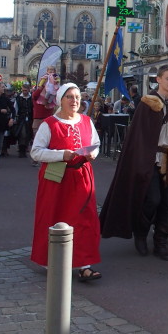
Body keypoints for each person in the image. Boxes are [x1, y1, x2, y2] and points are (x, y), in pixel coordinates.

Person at [99, 64, 168, 261]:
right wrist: (142, 157)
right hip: (150, 159)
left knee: (167, 202)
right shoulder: (147, 104)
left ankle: (160, 241)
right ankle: (141, 233)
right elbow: (138, 135)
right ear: (158, 79)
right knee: (153, 199)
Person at [30, 83, 102, 282]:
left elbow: (95, 143)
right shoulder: (49, 124)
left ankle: (84, 264)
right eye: (69, 97)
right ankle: (52, 261)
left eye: (77, 97)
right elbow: (36, 152)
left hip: (82, 176)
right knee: (54, 217)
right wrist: (61, 154)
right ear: (60, 100)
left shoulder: (86, 121)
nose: (74, 100)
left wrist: (93, 154)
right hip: (56, 179)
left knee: (85, 219)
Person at [32, 78, 56, 166]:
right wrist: (42, 85)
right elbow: (35, 95)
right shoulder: (37, 95)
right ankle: (35, 159)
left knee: (48, 141)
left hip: (48, 120)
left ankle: (46, 159)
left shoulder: (51, 97)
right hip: (38, 120)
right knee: (37, 140)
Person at [13, 82, 34, 159]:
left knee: (28, 135)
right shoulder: (18, 98)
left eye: (26, 90)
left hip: (30, 119)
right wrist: (14, 118)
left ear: (29, 90)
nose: (24, 92)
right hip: (21, 119)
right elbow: (15, 108)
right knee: (22, 134)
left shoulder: (32, 98)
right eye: (23, 90)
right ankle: (21, 151)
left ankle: (24, 150)